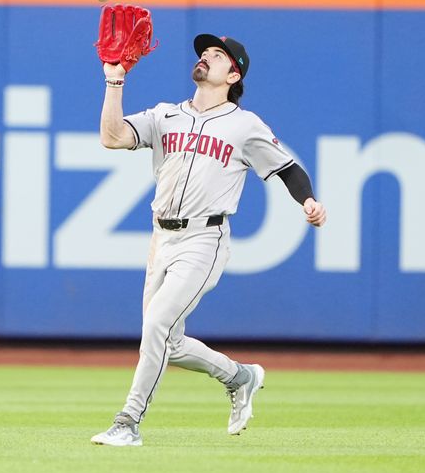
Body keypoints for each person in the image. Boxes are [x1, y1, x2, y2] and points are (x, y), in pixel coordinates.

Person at [90, 34, 327, 447]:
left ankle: (127, 422)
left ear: (233, 74)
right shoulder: (166, 115)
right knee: (168, 340)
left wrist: (307, 200)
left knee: (157, 325)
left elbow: (288, 169)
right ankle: (240, 376)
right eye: (204, 52)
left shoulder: (244, 125)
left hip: (204, 238)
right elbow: (112, 137)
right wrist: (115, 83)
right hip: (160, 237)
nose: (205, 57)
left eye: (216, 55)